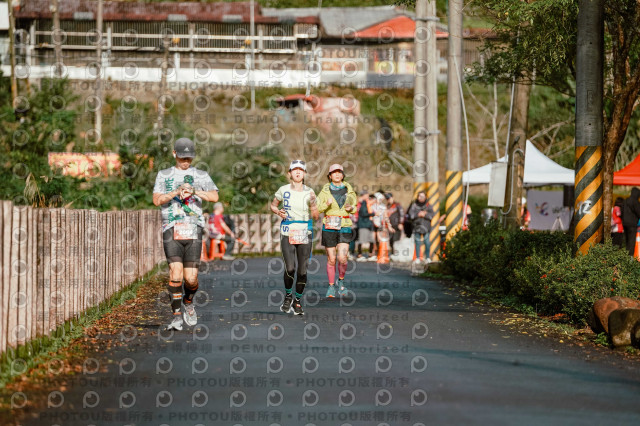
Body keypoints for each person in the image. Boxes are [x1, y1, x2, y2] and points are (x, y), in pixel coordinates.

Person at [153, 137, 219, 331]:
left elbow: (215, 196)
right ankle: (176, 317)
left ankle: (188, 302)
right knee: (175, 273)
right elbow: (156, 200)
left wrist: (194, 191)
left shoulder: (201, 175)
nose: (186, 161)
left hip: (193, 228)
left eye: (189, 158)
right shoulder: (164, 175)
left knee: (191, 279)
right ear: (174, 154)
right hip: (171, 228)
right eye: (182, 157)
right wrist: (176, 191)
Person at [270, 160, 319, 315]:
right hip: (287, 231)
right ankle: (288, 296)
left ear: (304, 173)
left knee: (302, 271)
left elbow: (316, 215)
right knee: (290, 268)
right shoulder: (283, 189)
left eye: (301, 170)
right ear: (289, 173)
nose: (298, 172)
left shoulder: (310, 191)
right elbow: (273, 205)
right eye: (295, 170)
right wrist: (278, 211)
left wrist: (315, 206)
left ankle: (297, 301)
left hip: (304, 232)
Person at [317, 164, 357, 298]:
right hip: (329, 226)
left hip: (344, 225)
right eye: (334, 172)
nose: (337, 174)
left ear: (343, 175)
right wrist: (326, 204)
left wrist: (351, 208)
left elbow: (355, 207)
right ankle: (331, 286)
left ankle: (341, 281)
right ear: (330, 176)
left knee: (343, 258)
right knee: (332, 258)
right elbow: (318, 208)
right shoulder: (324, 191)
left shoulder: (349, 190)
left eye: (339, 172)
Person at [408, 191, 434, 264]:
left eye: (423, 196)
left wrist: (425, 215)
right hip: (417, 227)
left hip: (426, 227)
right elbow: (411, 215)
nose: (421, 198)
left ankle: (428, 257)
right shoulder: (414, 205)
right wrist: (418, 214)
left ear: (425, 197)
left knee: (427, 243)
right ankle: (417, 258)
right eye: (419, 196)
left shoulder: (428, 205)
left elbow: (432, 215)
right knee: (417, 243)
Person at [356, 190, 375, 262]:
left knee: (371, 240)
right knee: (361, 240)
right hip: (363, 224)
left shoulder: (366, 202)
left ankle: (370, 255)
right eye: (367, 195)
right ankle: (359, 255)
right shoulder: (363, 202)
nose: (368, 196)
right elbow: (363, 213)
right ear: (363, 195)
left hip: (368, 224)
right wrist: (373, 214)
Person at [622, 187, 640, 255]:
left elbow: (621, 211)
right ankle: (630, 257)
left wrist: (623, 219)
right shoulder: (635, 202)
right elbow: (639, 212)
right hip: (632, 224)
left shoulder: (625, 200)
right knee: (631, 241)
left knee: (626, 240)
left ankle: (625, 254)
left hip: (625, 223)